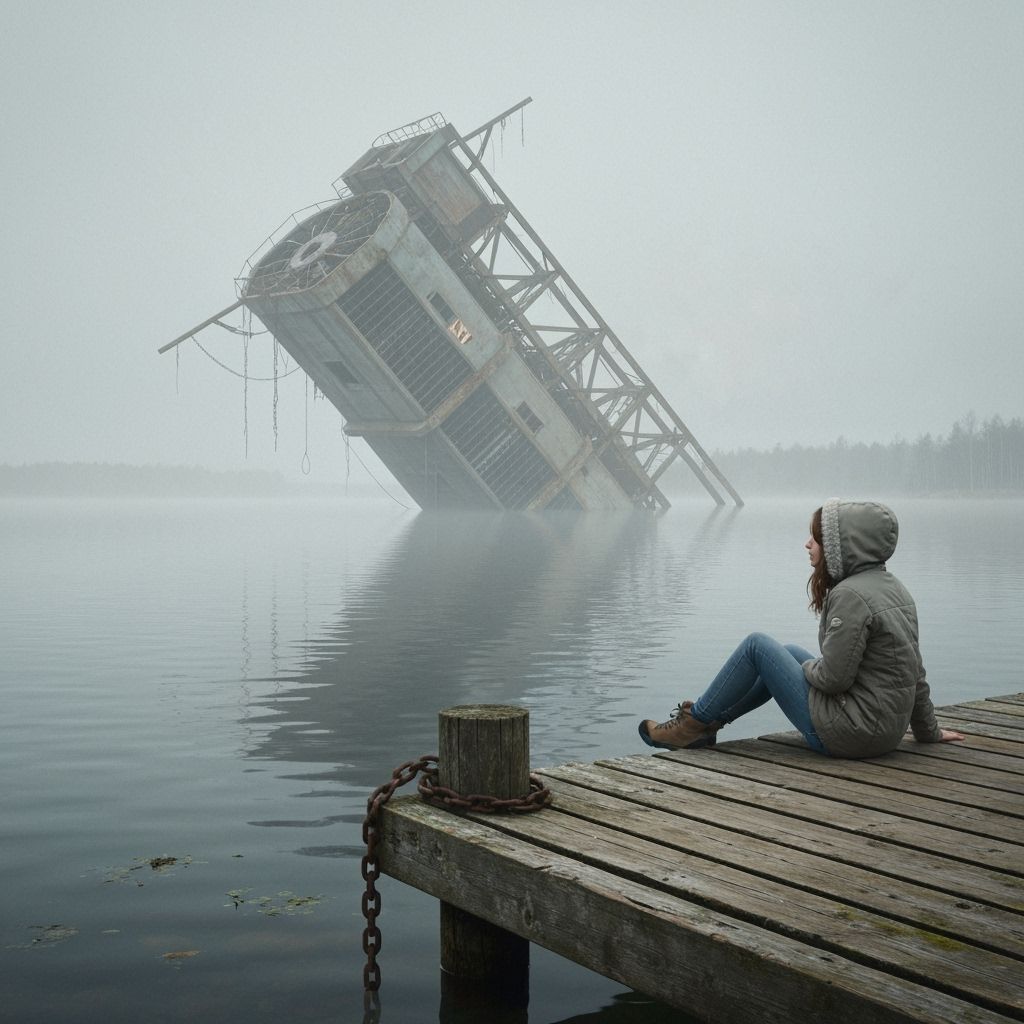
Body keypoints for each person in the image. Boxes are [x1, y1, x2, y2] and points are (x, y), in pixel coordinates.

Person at [639, 499, 965, 757]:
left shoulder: (851, 595)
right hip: (883, 734)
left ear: (841, 546)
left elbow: (833, 679)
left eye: (817, 538)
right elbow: (914, 672)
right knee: (789, 652)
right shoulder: (895, 589)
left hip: (849, 735)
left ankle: (693, 724)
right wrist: (929, 731)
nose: (807, 544)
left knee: (757, 646)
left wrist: (808, 668)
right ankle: (706, 726)